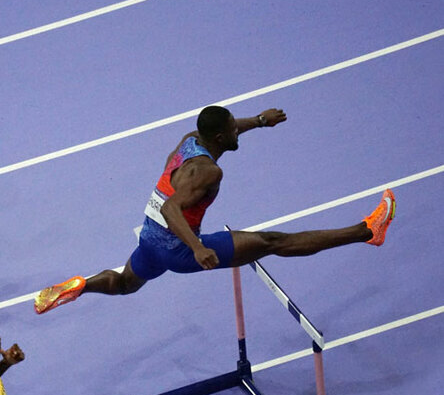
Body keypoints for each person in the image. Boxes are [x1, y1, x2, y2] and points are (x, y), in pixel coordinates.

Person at [34, 106, 396, 314]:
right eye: (233, 129)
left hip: (149, 238)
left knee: (128, 283)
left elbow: (225, 129)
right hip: (178, 248)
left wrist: (258, 121)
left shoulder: (189, 141)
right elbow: (175, 209)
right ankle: (368, 231)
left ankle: (82, 286)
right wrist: (197, 247)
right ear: (221, 139)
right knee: (273, 242)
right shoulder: (208, 170)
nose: (237, 131)